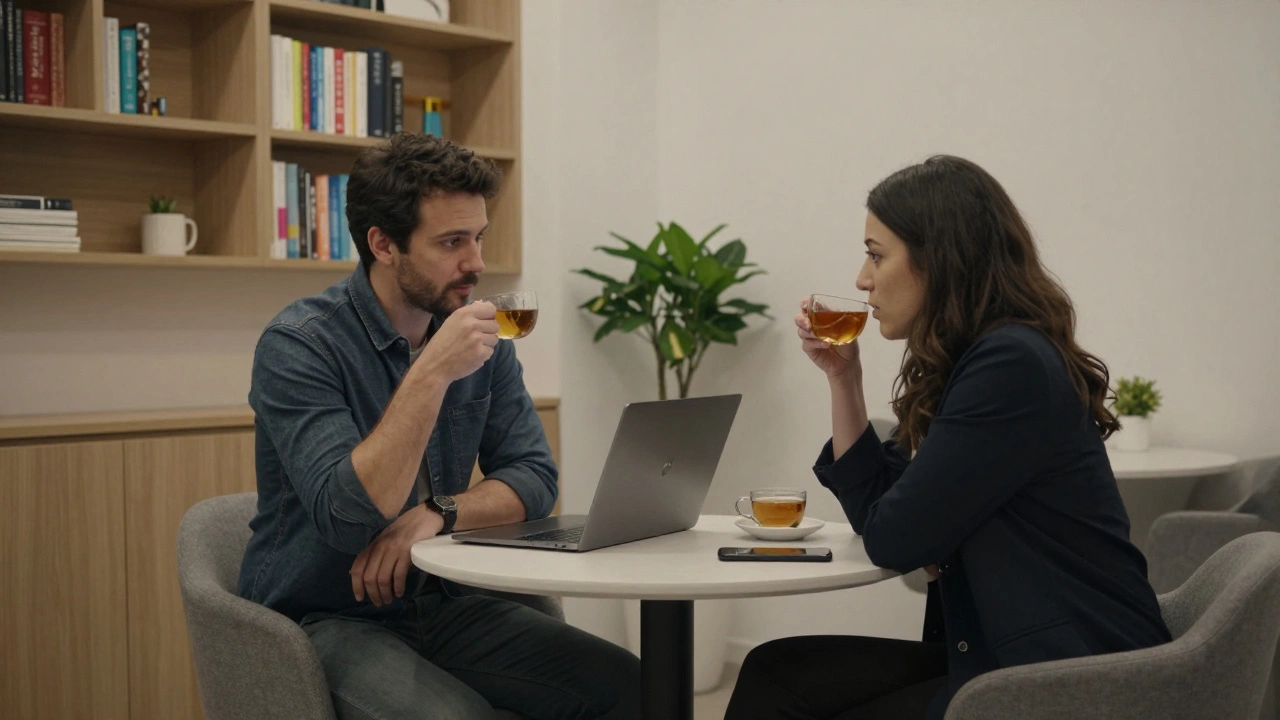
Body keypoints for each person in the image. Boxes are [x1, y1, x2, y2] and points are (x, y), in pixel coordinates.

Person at [724, 155, 1171, 720]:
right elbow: (889, 511)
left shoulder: (1009, 366)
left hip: (1068, 675)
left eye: (876, 255)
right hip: (1003, 654)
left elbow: (893, 537)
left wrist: (923, 534)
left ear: (939, 260)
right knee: (777, 674)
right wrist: (845, 378)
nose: (862, 278)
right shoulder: (989, 357)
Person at [238, 133, 641, 720]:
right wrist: (430, 371)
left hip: (445, 602)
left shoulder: (479, 336)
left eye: (477, 237)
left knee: (635, 688)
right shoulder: (300, 345)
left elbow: (533, 477)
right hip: (325, 618)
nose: (476, 262)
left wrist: (437, 515)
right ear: (384, 244)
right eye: (452, 242)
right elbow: (348, 516)